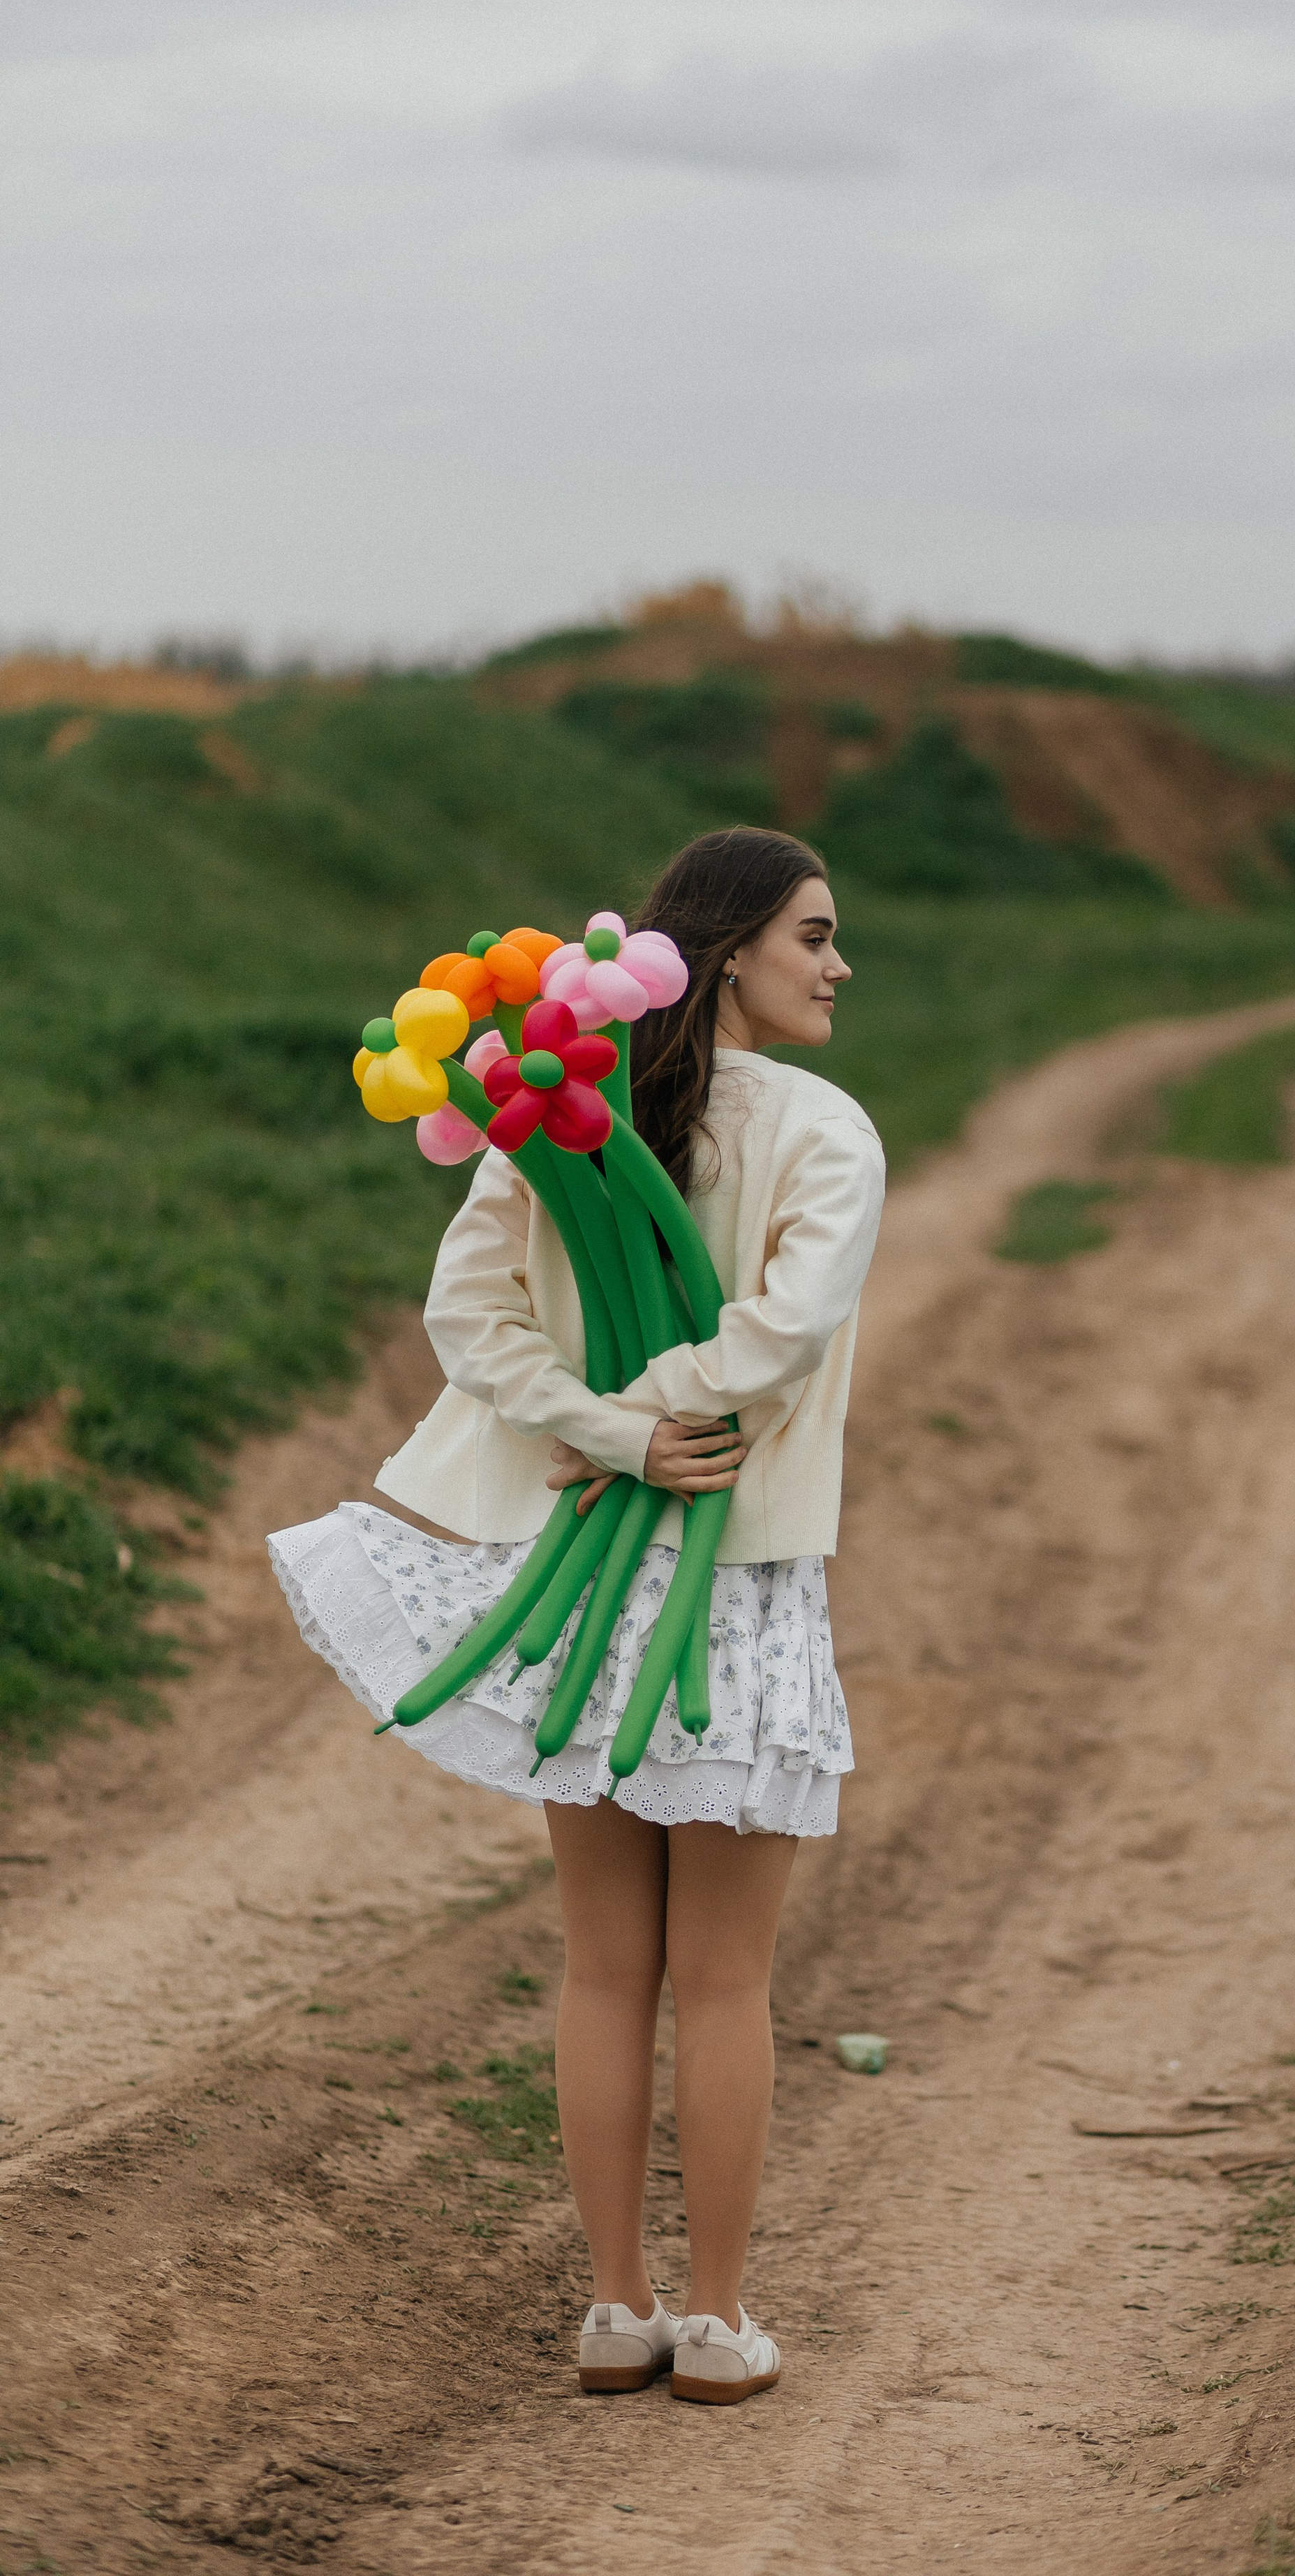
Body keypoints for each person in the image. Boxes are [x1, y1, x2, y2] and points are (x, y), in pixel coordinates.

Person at [267, 828, 883, 2407]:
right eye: (812, 937)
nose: (835, 965)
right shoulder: (822, 1132)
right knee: (726, 1982)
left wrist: (606, 1429)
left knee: (606, 1969)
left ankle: (617, 2308)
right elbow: (787, 1329)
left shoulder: (559, 1111)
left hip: (578, 1569)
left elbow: (464, 1314)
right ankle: (721, 2325)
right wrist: (671, 1415)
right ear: (730, 949)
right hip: (730, 1589)